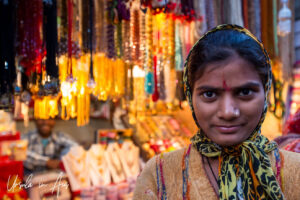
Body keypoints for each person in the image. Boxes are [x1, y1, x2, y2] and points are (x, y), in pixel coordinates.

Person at [133, 24, 300, 200]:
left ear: (265, 93)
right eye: (210, 94)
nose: (228, 112)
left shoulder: (295, 172)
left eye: (244, 92)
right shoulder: (158, 177)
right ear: (190, 96)